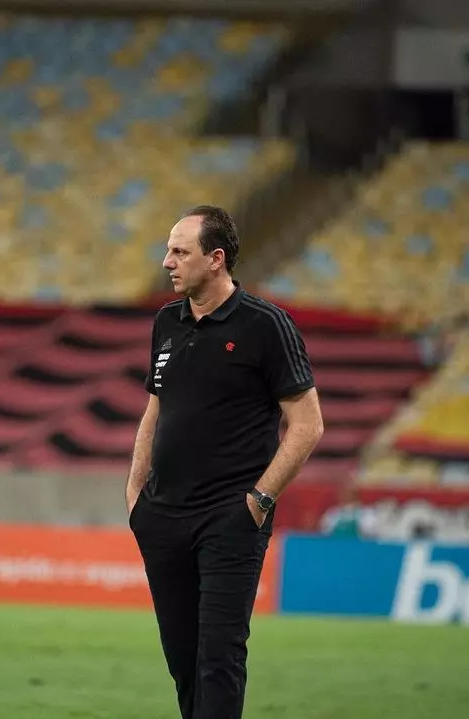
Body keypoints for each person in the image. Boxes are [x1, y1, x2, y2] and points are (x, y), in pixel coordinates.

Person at [125, 206, 325, 719]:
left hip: (229, 519)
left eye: (179, 251)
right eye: (168, 249)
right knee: (183, 661)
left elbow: (307, 424)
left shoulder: (266, 325)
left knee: (219, 658)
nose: (167, 261)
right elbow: (156, 407)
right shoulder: (166, 322)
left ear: (216, 260)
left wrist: (258, 501)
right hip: (162, 515)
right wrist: (135, 495)